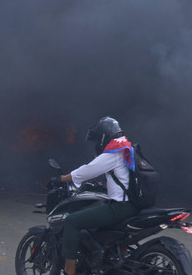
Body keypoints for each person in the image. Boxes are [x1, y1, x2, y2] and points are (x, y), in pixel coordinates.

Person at [53, 116, 139, 275]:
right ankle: (101, 255)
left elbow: (87, 170)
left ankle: (69, 272)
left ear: (103, 136)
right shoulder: (128, 148)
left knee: (72, 221)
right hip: (134, 205)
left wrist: (61, 179)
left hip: (120, 208)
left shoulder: (114, 152)